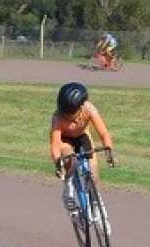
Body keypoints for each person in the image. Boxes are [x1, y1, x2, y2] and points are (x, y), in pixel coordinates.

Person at [49, 82, 117, 214]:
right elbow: (55, 144)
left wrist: (109, 150)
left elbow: (103, 133)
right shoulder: (57, 117)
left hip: (82, 137)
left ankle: (96, 204)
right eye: (65, 113)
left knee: (94, 175)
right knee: (70, 157)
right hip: (65, 140)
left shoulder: (89, 109)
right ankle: (68, 190)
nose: (67, 116)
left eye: (70, 113)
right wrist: (58, 163)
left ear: (81, 107)